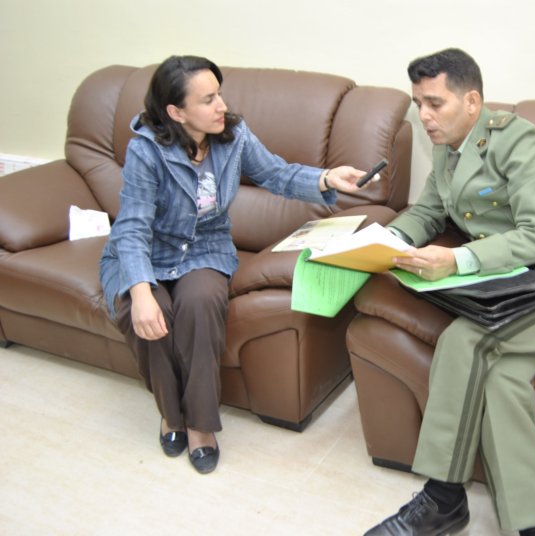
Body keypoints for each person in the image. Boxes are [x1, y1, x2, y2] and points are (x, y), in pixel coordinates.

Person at [363, 48, 535, 535]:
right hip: (519, 292)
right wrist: (382, 242)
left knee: (464, 339)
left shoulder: (519, 140)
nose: (424, 116)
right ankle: (531, 528)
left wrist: (457, 259)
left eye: (435, 103)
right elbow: (428, 212)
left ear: (472, 102)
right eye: (418, 104)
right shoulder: (447, 148)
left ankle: (442, 498)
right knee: (503, 381)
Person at [100, 55, 370, 475]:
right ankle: (172, 415)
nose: (221, 106)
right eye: (208, 99)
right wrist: (139, 292)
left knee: (200, 304)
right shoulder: (145, 151)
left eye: (219, 94)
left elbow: (276, 174)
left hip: (205, 249)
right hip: (145, 251)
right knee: (150, 315)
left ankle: (200, 425)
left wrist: (326, 178)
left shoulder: (234, 135)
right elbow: (132, 228)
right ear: (176, 112)